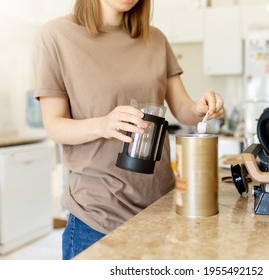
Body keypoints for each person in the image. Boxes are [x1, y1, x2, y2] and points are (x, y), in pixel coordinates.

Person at [33, 0, 224, 260]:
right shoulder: (56, 36)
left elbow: (183, 109)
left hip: (159, 205)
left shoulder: (155, 39)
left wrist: (202, 108)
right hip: (98, 215)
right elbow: (54, 125)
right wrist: (102, 124)